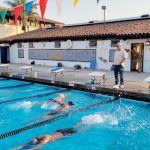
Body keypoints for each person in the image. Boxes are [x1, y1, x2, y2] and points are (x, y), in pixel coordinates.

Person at [13, 121, 91, 150]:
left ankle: (89, 125)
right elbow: (22, 146)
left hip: (63, 133)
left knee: (79, 132)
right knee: (74, 127)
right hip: (59, 131)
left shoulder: (45, 139)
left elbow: (37, 147)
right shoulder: (39, 137)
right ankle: (82, 121)